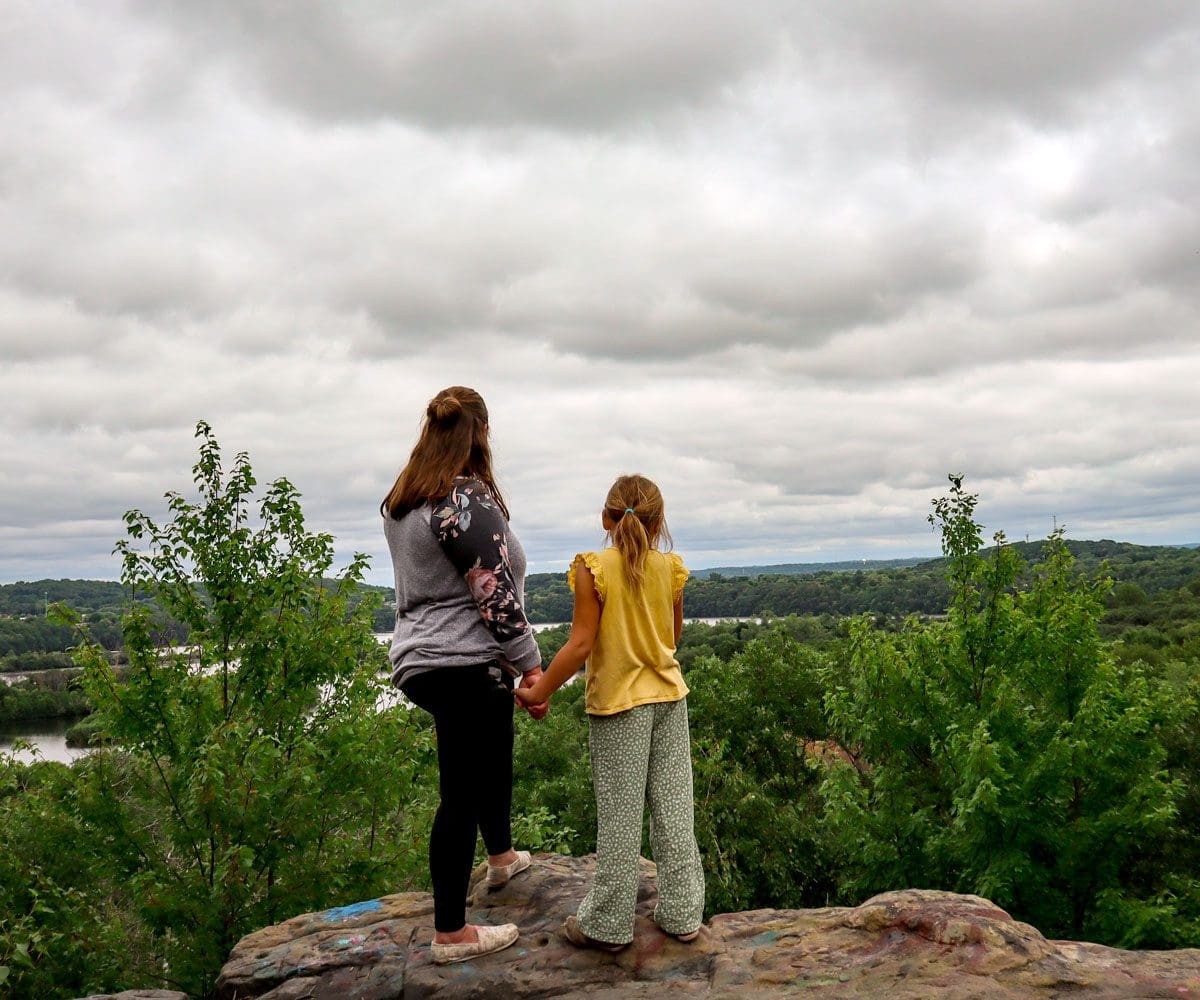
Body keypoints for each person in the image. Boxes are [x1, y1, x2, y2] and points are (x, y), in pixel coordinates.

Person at [381, 386, 548, 965]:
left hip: (426, 657)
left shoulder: (405, 500)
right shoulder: (462, 499)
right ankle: (451, 932)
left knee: (490, 751)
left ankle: (501, 858)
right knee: (460, 792)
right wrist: (532, 666)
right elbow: (493, 592)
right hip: (460, 659)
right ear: (480, 433)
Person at [514, 474, 704, 951]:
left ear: (606, 518)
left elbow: (580, 643)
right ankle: (683, 915)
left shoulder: (593, 567)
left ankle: (607, 925)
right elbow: (672, 639)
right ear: (659, 523)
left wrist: (541, 692)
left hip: (620, 705)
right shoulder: (671, 568)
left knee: (620, 818)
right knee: (675, 810)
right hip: (669, 698)